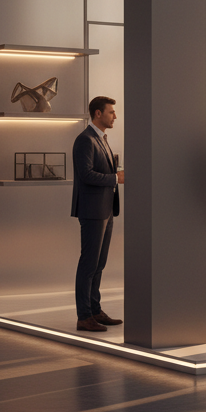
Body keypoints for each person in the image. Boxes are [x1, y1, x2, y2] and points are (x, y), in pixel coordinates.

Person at [71, 96, 124, 332]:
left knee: (99, 264)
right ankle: (84, 316)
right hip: (93, 211)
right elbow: (86, 175)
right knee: (89, 264)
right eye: (111, 112)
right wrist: (116, 178)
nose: (115, 116)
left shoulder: (100, 138)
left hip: (105, 209)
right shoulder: (85, 140)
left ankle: (95, 310)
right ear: (97, 114)